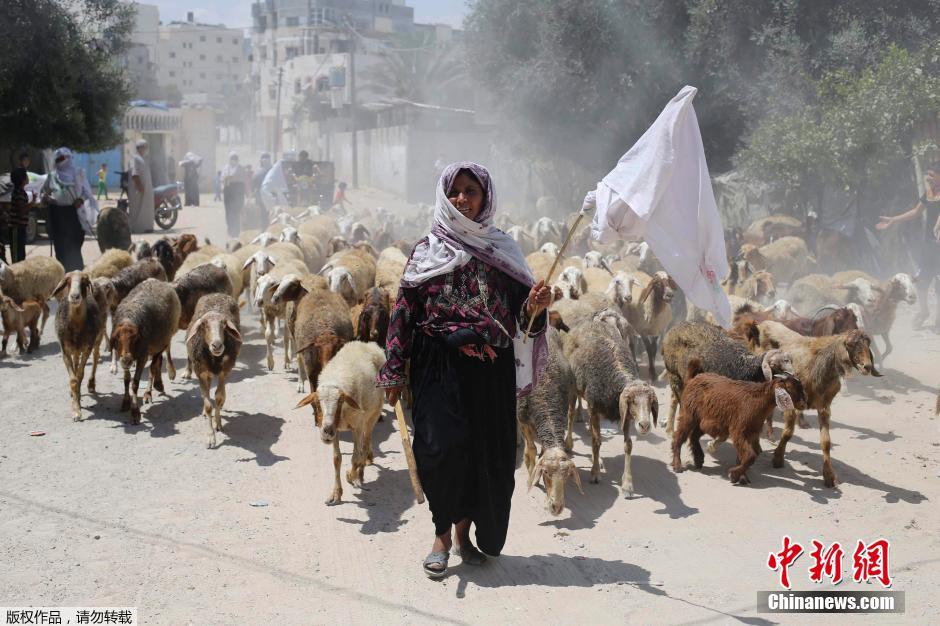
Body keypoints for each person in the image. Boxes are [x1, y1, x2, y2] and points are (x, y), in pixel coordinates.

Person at [377, 162, 552, 579]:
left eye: (471, 191)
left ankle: (463, 535)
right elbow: (404, 312)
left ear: (485, 196)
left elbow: (521, 319)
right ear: (444, 195)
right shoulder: (426, 250)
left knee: (483, 455)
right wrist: (394, 369)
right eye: (455, 191)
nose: (462, 199)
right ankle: (440, 534)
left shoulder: (501, 249)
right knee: (441, 450)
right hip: (439, 368)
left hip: (490, 372)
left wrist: (535, 306)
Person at [877, 161, 940, 330]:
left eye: (932, 175)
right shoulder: (930, 193)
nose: (928, 179)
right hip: (929, 244)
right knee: (922, 280)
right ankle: (925, 311)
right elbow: (915, 212)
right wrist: (893, 220)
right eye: (927, 175)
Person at [40, 148, 96, 271]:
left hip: (73, 214)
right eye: (58, 159)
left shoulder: (78, 174)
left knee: (74, 245)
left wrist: (80, 200)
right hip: (57, 214)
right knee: (60, 247)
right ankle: (62, 274)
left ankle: (77, 274)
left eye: (62, 158)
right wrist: (45, 198)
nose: (60, 161)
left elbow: (87, 193)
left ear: (69, 158)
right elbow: (43, 193)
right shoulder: (52, 176)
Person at [7, 152, 31, 263]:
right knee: (17, 256)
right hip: (16, 228)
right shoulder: (19, 193)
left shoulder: (20, 192)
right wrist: (33, 204)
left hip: (20, 227)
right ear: (22, 179)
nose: (28, 178)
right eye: (26, 176)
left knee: (21, 254)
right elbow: (22, 211)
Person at [127, 140, 155, 234]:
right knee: (137, 209)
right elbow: (134, 174)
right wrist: (139, 185)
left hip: (146, 189)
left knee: (146, 208)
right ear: (139, 148)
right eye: (143, 147)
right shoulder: (134, 158)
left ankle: (146, 227)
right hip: (138, 189)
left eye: (145, 147)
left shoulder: (143, 159)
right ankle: (137, 228)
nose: (145, 149)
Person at [220, 152, 245, 238]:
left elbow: (242, 180)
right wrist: (227, 178)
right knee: (228, 211)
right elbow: (222, 178)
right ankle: (230, 228)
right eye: (232, 158)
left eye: (235, 158)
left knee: (236, 211)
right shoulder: (226, 168)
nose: (233, 160)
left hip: (237, 191)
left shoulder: (241, 168)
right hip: (228, 191)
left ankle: (236, 230)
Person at [253, 152, 272, 228]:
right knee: (262, 212)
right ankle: (263, 227)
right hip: (260, 195)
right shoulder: (258, 170)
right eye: (264, 158)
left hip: (270, 195)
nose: (265, 160)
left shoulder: (272, 170)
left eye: (267, 158)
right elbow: (254, 182)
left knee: (269, 212)